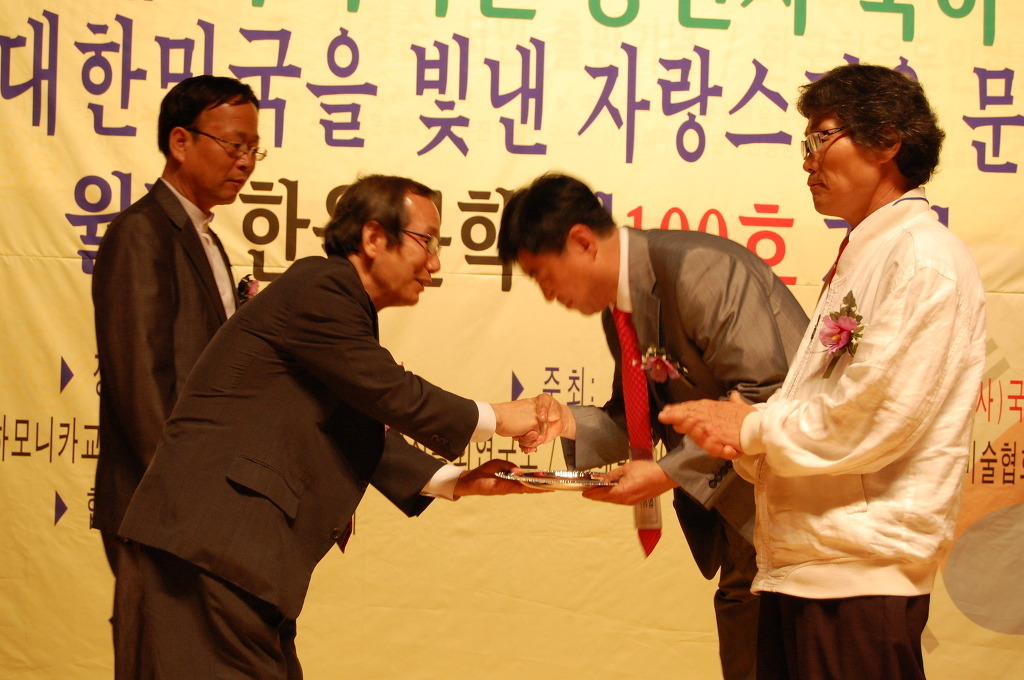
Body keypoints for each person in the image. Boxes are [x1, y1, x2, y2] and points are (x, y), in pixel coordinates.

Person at [117, 174, 557, 679]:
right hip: (213, 552)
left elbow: (359, 419)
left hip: (238, 565)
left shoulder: (336, 308)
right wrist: (497, 417)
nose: (435, 263)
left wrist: (457, 480)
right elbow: (390, 392)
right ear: (373, 238)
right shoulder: (322, 285)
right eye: (427, 242)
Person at [659, 64, 986, 680]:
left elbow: (872, 415)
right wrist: (744, 438)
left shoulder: (923, 258)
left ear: (887, 142)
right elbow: (826, 403)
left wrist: (751, 428)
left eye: (822, 137)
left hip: (860, 576)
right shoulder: (868, 253)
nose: (807, 160)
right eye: (804, 142)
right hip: (805, 565)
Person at [497, 172, 809, 680]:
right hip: (741, 518)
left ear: (582, 242)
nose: (548, 294)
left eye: (542, 275)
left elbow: (763, 400)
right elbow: (637, 416)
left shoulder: (699, 271)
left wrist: (666, 473)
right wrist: (567, 421)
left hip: (797, 507)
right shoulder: (618, 310)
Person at [92, 74, 263, 679]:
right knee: (159, 662)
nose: (245, 162)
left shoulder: (203, 235)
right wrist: (189, 502)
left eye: (254, 148)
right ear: (180, 142)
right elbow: (140, 386)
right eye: (234, 144)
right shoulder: (142, 233)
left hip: (196, 505)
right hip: (160, 505)